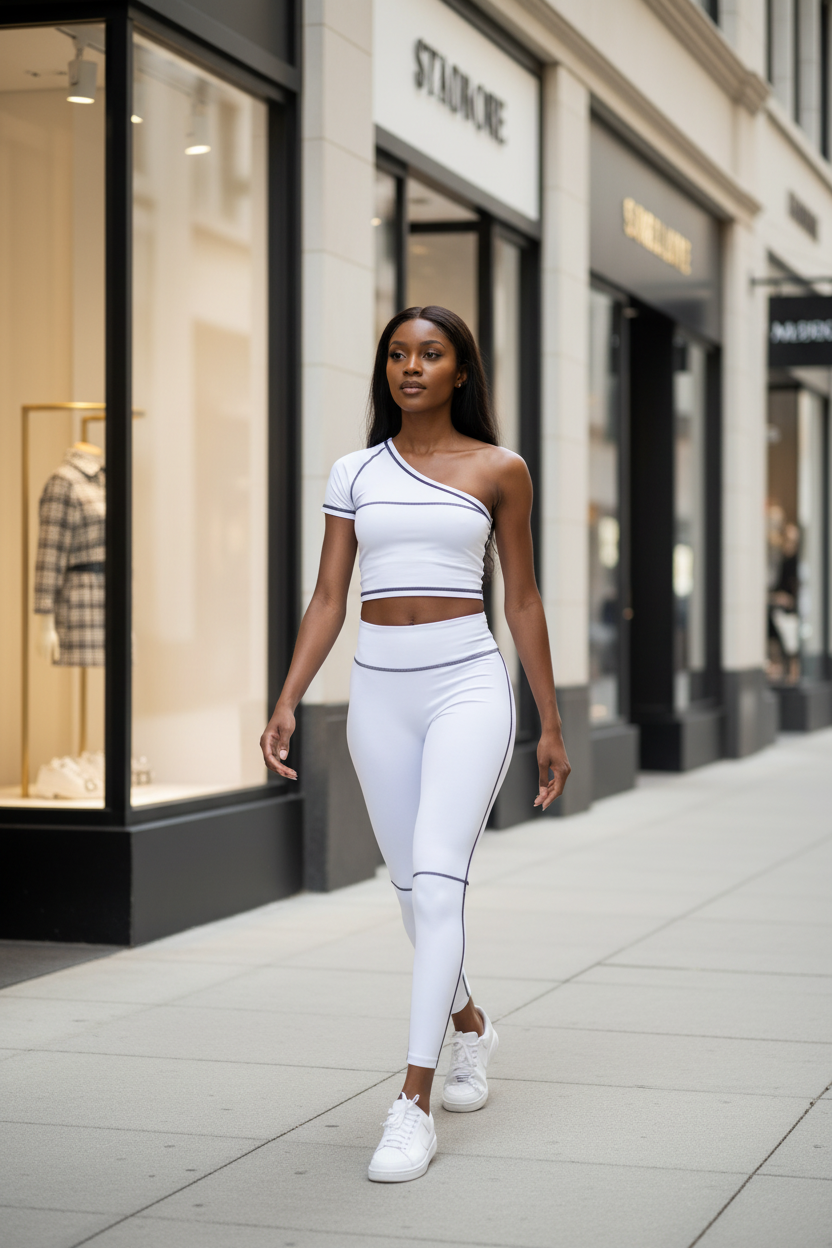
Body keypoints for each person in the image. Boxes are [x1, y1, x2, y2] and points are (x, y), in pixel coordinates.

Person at [261, 305, 571, 1183]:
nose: (410, 367)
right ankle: (473, 1026)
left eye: (429, 355)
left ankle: (412, 1101)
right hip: (379, 695)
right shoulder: (356, 470)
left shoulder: (499, 470)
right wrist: (287, 698)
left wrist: (548, 721)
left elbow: (523, 603)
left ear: (460, 371)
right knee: (411, 893)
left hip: (467, 686)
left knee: (438, 876)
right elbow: (328, 597)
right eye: (397, 354)